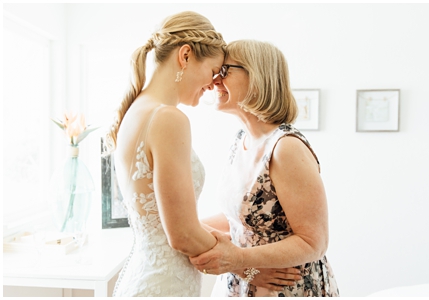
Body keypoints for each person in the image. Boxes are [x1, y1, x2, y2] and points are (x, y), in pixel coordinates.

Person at [189, 39, 340, 297]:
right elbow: (239, 220)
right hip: (243, 283)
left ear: (257, 77)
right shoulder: (240, 140)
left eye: (224, 71)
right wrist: (187, 228)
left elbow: (314, 242)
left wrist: (239, 260)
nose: (214, 80)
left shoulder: (286, 148)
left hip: (285, 289)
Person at [107, 11, 225, 296]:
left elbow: (166, 224)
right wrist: (250, 266)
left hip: (148, 278)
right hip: (164, 287)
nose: (213, 85)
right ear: (185, 56)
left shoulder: (136, 111)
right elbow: (182, 234)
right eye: (212, 72)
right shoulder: (167, 118)